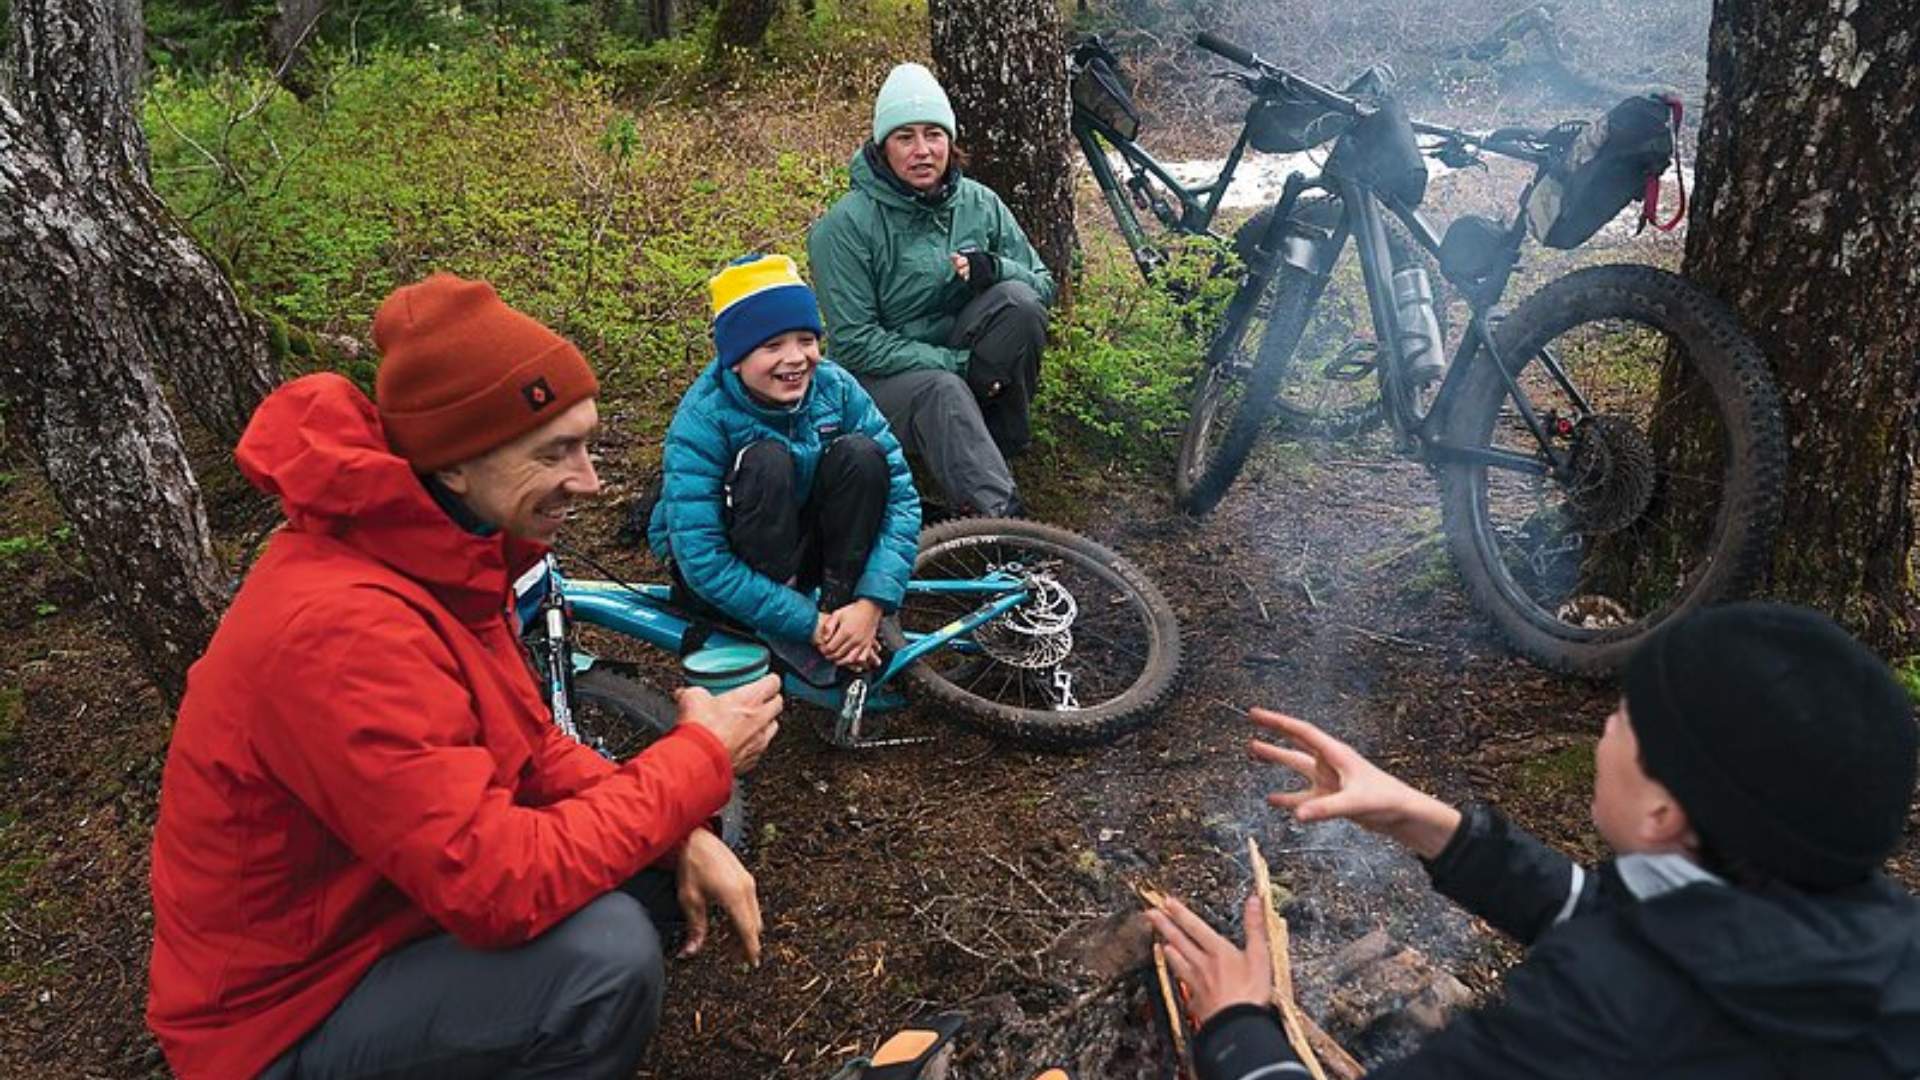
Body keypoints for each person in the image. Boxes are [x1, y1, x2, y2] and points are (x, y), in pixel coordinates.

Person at [147, 274, 783, 1080]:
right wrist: (697, 760)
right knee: (605, 961)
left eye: (587, 444)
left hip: (389, 914)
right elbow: (498, 887)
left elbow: (533, 753)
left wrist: (681, 822)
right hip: (285, 1015)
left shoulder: (442, 553)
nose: (590, 481)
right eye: (554, 452)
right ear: (453, 465)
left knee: (670, 856)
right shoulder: (342, 629)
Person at [1149, 602, 1920, 1079]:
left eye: (1624, 717)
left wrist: (1239, 1027)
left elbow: (1630, 978)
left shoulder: (1593, 1026)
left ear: (1662, 816)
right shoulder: (1875, 941)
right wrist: (1426, 823)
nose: (1602, 730)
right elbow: (1637, 923)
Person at [648, 254, 921, 678]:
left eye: (806, 340)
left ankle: (841, 611)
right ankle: (794, 627)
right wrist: (807, 625)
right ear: (735, 359)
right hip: (739, 559)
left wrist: (870, 605)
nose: (795, 359)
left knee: (862, 456)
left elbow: (902, 499)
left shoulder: (837, 389)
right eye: (772, 346)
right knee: (765, 461)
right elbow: (702, 558)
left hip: (808, 546)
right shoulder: (703, 419)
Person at [807, 61, 1056, 519]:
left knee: (1019, 303)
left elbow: (1043, 287)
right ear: (883, 147)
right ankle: (1002, 528)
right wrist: (960, 366)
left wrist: (996, 269)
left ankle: (997, 446)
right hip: (878, 383)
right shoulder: (843, 227)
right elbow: (856, 343)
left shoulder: (980, 203)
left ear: (950, 141)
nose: (923, 150)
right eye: (905, 137)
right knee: (942, 389)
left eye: (934, 135)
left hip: (954, 361)